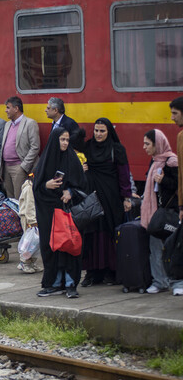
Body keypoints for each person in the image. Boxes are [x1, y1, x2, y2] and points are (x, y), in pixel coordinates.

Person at [34, 128, 87, 298]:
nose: (65, 143)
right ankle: (54, 283)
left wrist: (70, 191)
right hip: (48, 213)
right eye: (62, 139)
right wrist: (46, 185)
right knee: (51, 247)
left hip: (67, 211)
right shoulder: (46, 160)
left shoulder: (72, 159)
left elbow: (83, 184)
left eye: (67, 140)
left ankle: (71, 283)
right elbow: (36, 187)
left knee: (69, 245)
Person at [81, 118, 132, 287]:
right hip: (92, 196)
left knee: (109, 232)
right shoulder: (88, 147)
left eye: (102, 131)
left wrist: (126, 197)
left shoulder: (117, 149)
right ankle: (93, 272)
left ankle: (111, 271)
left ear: (109, 132)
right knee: (92, 231)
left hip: (111, 198)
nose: (98, 134)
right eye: (96, 130)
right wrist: (83, 168)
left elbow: (124, 175)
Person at [140, 129, 178, 294]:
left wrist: (164, 181)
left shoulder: (172, 161)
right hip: (156, 213)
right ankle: (159, 281)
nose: (144, 147)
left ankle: (177, 282)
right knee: (155, 247)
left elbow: (179, 186)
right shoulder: (154, 161)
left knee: (174, 248)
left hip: (171, 212)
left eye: (147, 144)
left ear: (158, 144)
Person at [0, 96, 40, 199]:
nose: (6, 110)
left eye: (8, 108)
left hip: (19, 166)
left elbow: (35, 147)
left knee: (20, 199)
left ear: (16, 109)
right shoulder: (7, 124)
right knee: (10, 198)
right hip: (6, 167)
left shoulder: (30, 123)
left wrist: (24, 166)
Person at [171, 97, 183, 222]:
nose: (172, 118)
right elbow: (181, 175)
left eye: (175, 113)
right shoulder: (180, 137)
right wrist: (181, 207)